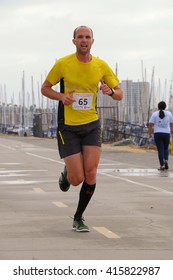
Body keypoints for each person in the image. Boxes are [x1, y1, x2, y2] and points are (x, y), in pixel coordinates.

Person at [41, 25, 123, 232]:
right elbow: (45, 88)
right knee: (77, 179)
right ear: (74, 41)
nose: (84, 40)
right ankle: (67, 172)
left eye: (87, 37)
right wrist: (61, 97)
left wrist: (110, 90)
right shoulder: (62, 64)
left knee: (91, 173)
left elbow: (120, 93)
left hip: (91, 125)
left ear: (92, 41)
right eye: (80, 37)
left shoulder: (100, 65)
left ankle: (78, 217)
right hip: (68, 127)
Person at [148, 101, 173, 171]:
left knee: (160, 150)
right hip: (166, 133)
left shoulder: (155, 114)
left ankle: (162, 165)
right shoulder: (169, 114)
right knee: (166, 148)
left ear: (158, 107)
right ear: (165, 107)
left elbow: (150, 125)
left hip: (158, 133)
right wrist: (172, 133)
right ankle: (166, 160)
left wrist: (149, 135)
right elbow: (171, 124)